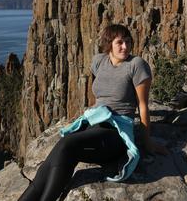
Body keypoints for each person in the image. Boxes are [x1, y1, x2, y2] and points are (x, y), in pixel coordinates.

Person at [19, 24, 167, 201]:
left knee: (67, 145)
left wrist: (147, 142)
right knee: (58, 154)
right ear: (108, 44)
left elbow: (143, 106)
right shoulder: (99, 61)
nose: (125, 47)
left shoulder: (136, 65)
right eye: (119, 42)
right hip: (95, 125)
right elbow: (101, 92)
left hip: (116, 134)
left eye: (128, 42)